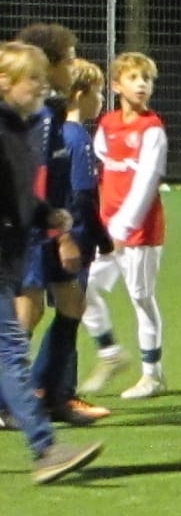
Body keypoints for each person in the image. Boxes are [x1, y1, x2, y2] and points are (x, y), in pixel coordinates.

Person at [0, 41, 102, 483]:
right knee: (9, 350)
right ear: (5, 82)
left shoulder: (24, 126)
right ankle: (45, 447)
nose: (43, 87)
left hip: (8, 253)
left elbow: (17, 196)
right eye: (34, 80)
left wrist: (47, 216)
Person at [14, 22, 110, 425]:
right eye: (68, 59)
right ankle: (12, 400)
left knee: (71, 303)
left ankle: (53, 394)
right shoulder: (34, 114)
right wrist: (62, 235)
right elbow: (35, 180)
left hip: (47, 224)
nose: (74, 65)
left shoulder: (52, 111)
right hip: (32, 228)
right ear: (49, 63)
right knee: (28, 310)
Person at [87, 52, 169, 400]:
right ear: (116, 85)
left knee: (141, 298)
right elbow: (102, 170)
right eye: (133, 78)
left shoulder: (152, 129)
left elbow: (147, 182)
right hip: (106, 228)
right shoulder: (107, 125)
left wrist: (122, 228)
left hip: (139, 232)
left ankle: (152, 375)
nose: (141, 85)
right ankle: (110, 353)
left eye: (146, 79)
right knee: (82, 288)